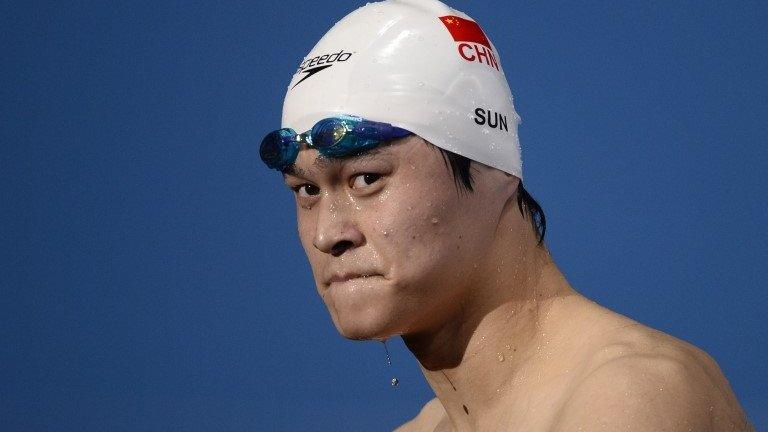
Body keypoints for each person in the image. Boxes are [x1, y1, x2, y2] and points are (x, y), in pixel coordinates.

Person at [259, 1, 754, 430]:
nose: (328, 234)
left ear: (490, 169)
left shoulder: (631, 395)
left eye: (367, 179)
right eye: (305, 190)